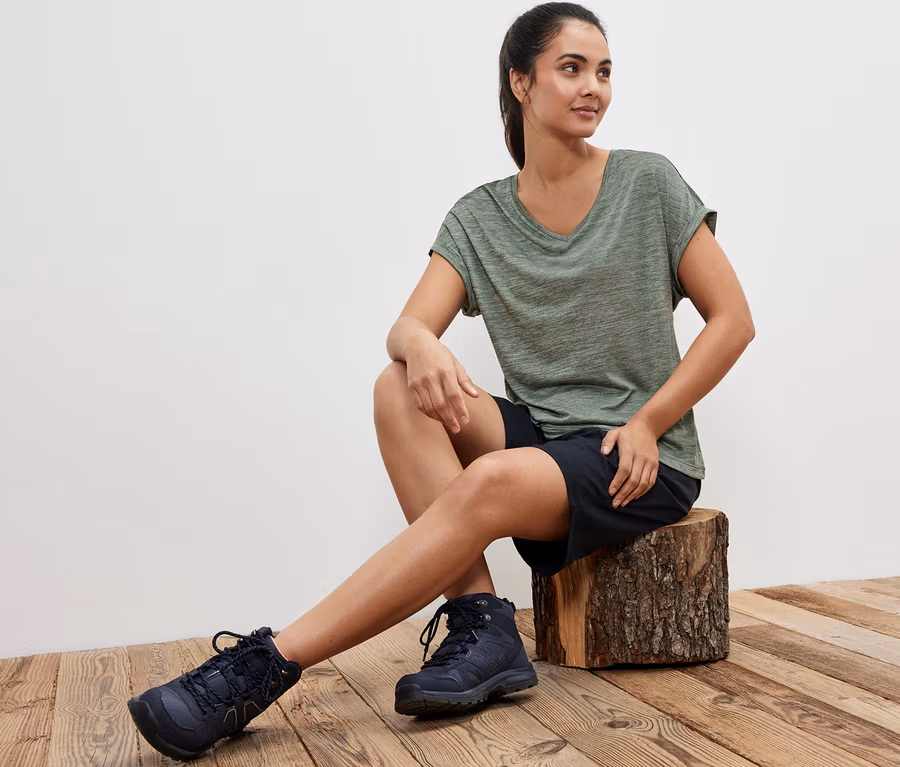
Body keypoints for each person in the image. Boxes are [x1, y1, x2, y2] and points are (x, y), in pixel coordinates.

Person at [128, 2, 755, 760]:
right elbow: (405, 327)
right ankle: (484, 625)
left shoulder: (647, 183)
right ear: (520, 82)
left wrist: (651, 421)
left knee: (489, 480)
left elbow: (733, 321)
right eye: (571, 68)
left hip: (638, 454)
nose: (593, 86)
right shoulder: (480, 216)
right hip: (547, 439)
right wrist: (420, 343)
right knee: (396, 387)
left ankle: (261, 668)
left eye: (603, 70)